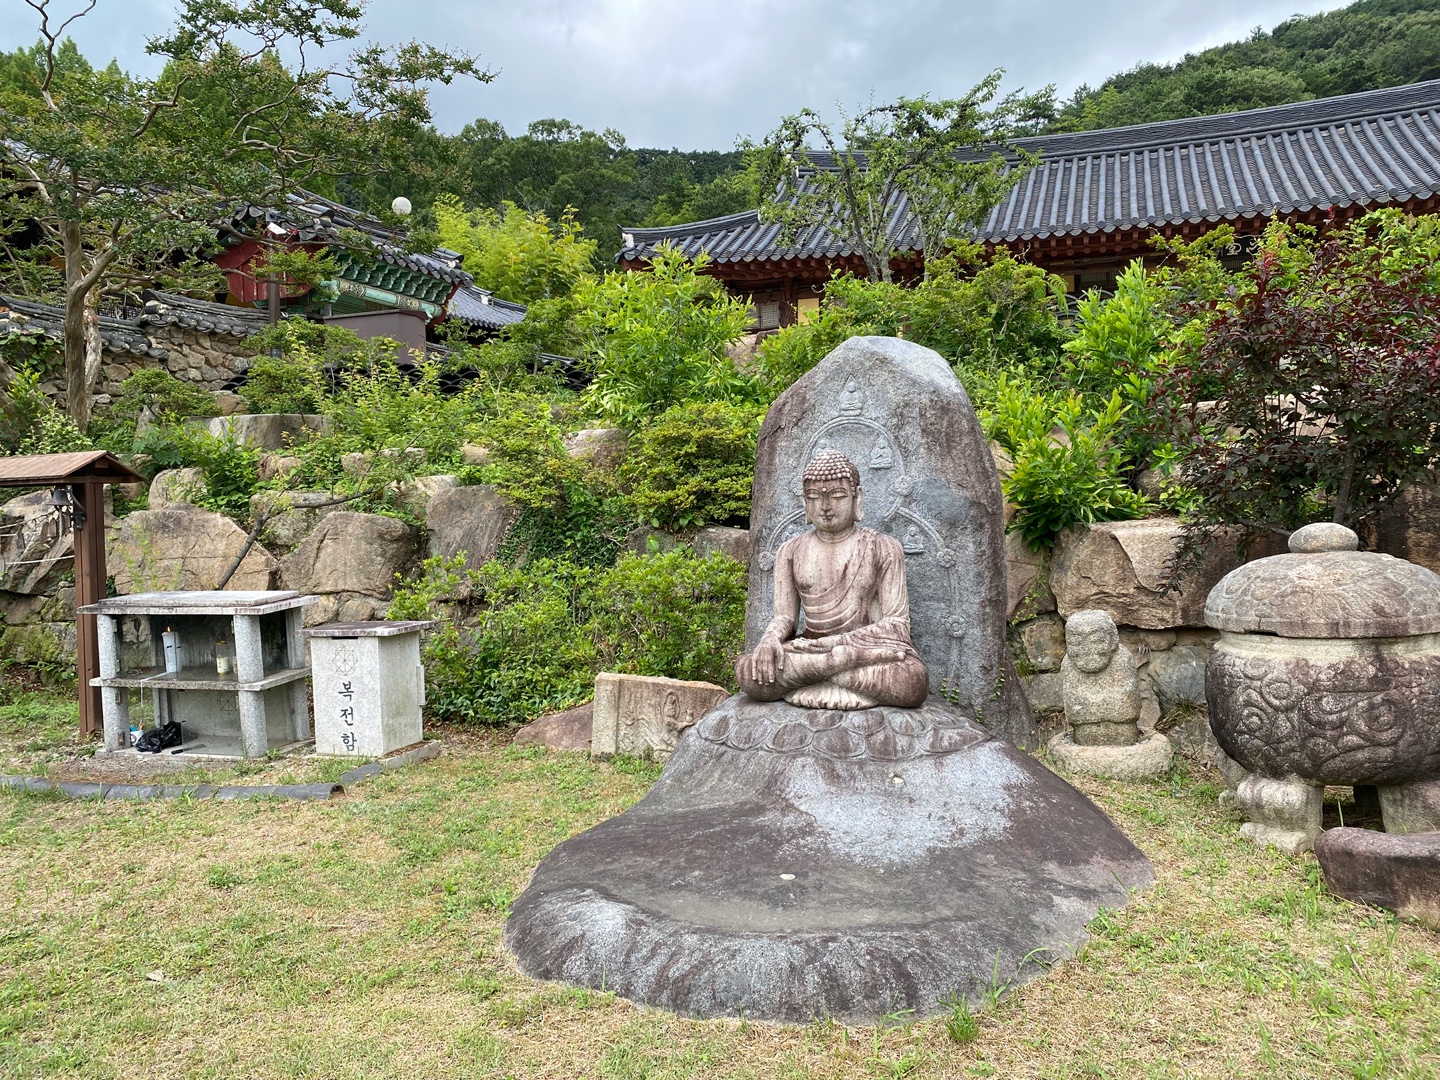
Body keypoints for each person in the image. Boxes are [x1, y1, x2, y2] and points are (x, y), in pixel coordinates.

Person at [736, 449, 929, 710]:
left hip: (861, 651)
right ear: (805, 503)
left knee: (913, 680)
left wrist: (835, 645)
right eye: (814, 498)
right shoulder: (790, 551)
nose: (825, 507)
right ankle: (835, 669)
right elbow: (786, 618)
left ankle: (820, 672)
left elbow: (896, 625)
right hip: (818, 650)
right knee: (749, 672)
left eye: (837, 496)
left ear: (856, 497)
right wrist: (770, 639)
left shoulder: (883, 547)